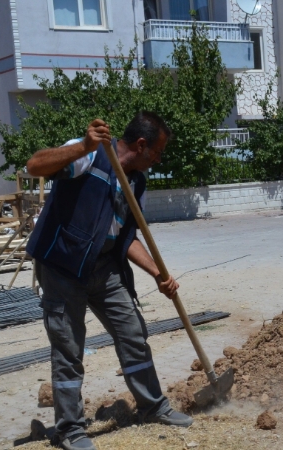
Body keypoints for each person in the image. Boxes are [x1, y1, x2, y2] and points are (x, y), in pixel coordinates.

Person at [25, 112, 193, 450]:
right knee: (69, 348)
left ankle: (152, 406)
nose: (158, 159)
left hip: (104, 267)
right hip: (63, 267)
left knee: (133, 333)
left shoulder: (135, 183)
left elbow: (127, 236)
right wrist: (84, 145)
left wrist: (159, 275)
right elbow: (34, 165)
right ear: (141, 145)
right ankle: (70, 430)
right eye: (157, 152)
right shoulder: (90, 155)